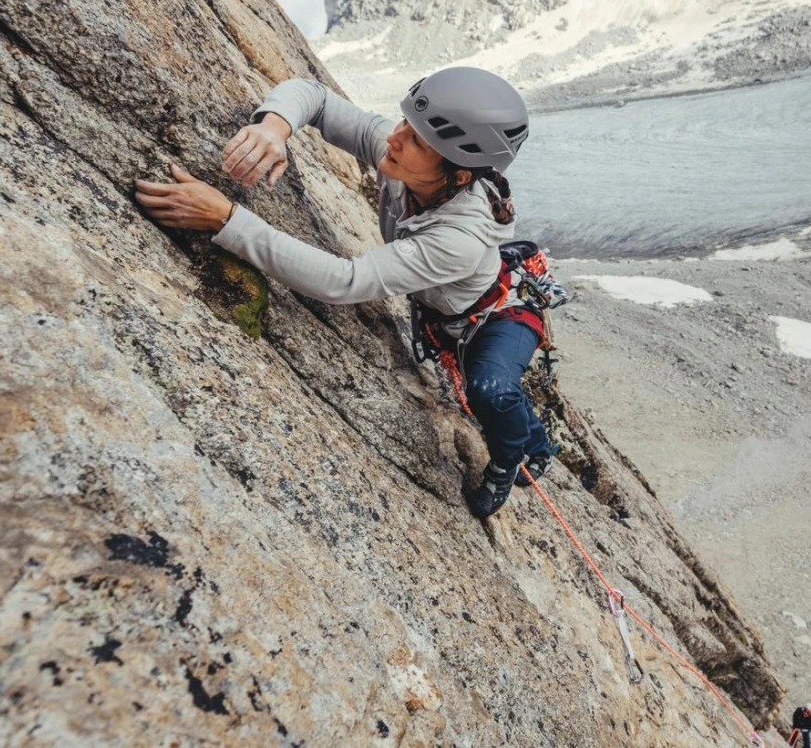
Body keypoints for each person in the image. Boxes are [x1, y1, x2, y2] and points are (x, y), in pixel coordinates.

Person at [134, 67, 555, 518]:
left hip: (496, 318)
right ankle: (535, 441)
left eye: (416, 141)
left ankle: (512, 460)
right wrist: (274, 127)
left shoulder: (459, 237)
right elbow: (315, 97)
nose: (394, 139)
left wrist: (226, 220)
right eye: (404, 126)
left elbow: (343, 281)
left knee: (490, 391)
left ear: (456, 176)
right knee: (492, 393)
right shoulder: (410, 163)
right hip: (453, 313)